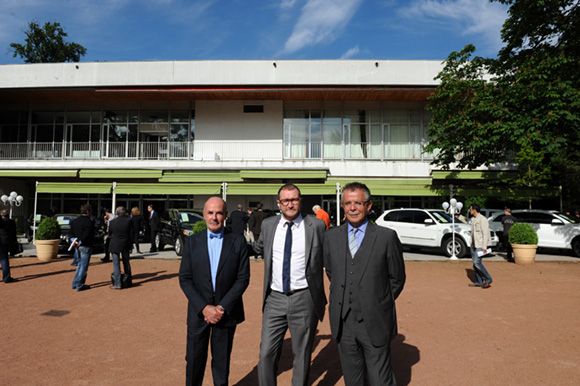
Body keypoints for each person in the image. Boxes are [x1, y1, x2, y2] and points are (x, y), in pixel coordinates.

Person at [323, 182, 406, 386]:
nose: (353, 208)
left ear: (368, 206)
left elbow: (397, 278)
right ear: (342, 206)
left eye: (358, 203)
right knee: (352, 379)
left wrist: (376, 300)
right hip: (344, 322)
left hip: (375, 319)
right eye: (348, 203)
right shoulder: (331, 237)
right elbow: (332, 272)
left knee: (380, 379)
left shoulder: (386, 237)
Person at [252, 184, 327, 386]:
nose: (290, 204)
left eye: (294, 199)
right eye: (285, 200)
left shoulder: (317, 226)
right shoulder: (268, 225)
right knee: (266, 352)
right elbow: (258, 248)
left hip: (304, 297)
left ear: (300, 201)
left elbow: (328, 258)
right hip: (274, 298)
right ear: (279, 203)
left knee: (302, 355)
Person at [179, 197, 250, 386]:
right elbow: (185, 279)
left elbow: (242, 278)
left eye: (219, 213)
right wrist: (204, 308)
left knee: (221, 364)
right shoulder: (192, 242)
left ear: (225, 215)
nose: (214, 217)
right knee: (194, 361)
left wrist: (221, 308)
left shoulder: (238, 241)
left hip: (225, 314)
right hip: (198, 313)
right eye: (210, 213)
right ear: (203, 215)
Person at [70, 204, 95, 292]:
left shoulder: (75, 221)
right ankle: (80, 285)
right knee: (83, 266)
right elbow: (87, 234)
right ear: (88, 212)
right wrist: (80, 242)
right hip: (85, 245)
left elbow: (71, 233)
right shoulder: (89, 222)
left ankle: (75, 283)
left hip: (77, 245)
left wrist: (74, 241)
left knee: (80, 265)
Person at [108, 206, 133, 289]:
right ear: (124, 212)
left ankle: (118, 283)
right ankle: (129, 281)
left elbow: (110, 233)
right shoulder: (129, 221)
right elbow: (131, 232)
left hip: (115, 244)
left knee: (116, 264)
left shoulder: (112, 222)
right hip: (125, 243)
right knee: (126, 262)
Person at [468, 204, 493, 288]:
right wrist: (471, 242)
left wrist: (484, 247)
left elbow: (485, 233)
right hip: (474, 245)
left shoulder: (483, 219)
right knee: (475, 264)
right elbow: (472, 232)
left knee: (477, 262)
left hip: (480, 245)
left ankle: (488, 279)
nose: (469, 210)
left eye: (470, 209)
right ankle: (479, 282)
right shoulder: (473, 219)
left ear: (474, 210)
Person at [0, 209, 18, 283]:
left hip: (0, 241)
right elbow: (14, 232)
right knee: (4, 259)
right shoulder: (11, 222)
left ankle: (6, 277)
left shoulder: (2, 222)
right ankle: (7, 277)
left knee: (4, 259)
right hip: (7, 242)